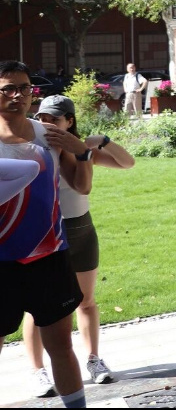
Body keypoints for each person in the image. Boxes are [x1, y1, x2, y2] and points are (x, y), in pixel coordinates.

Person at [23, 95, 136, 396]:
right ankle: (37, 370)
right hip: (46, 233)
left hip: (81, 230)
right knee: (38, 307)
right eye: (42, 118)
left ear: (69, 121)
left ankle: (94, 359)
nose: (47, 123)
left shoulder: (82, 149)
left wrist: (103, 142)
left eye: (54, 119)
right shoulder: (34, 149)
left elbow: (128, 163)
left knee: (86, 300)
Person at [0, 61, 89, 409]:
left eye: (24, 88)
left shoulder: (48, 135)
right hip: (1, 264)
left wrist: (81, 151)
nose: (18, 95)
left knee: (61, 347)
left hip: (49, 258)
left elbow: (81, 185)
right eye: (8, 88)